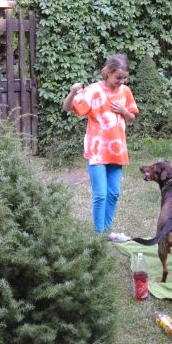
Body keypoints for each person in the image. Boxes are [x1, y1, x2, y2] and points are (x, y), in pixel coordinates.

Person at [63, 54, 138, 241]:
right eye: (118, 77)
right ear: (108, 73)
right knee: (101, 195)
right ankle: (98, 236)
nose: (121, 81)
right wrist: (72, 92)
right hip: (96, 151)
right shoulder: (94, 91)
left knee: (114, 193)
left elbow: (132, 118)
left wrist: (124, 111)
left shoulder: (125, 91)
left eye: (124, 78)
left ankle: (107, 232)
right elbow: (67, 107)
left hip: (117, 151)